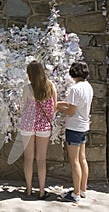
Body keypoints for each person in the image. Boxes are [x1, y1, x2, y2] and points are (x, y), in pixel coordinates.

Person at [19, 61, 57, 200]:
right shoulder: (51, 86)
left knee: (28, 158)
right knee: (41, 159)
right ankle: (41, 190)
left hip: (28, 125)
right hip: (43, 126)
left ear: (30, 74)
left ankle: (28, 189)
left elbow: (23, 106)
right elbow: (54, 107)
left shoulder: (27, 89)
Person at [57, 61, 93, 203]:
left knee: (74, 161)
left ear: (73, 73)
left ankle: (75, 194)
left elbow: (71, 111)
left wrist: (58, 108)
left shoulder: (75, 89)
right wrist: (60, 103)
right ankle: (83, 189)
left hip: (74, 127)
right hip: (84, 126)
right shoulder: (88, 87)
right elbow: (76, 105)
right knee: (83, 159)